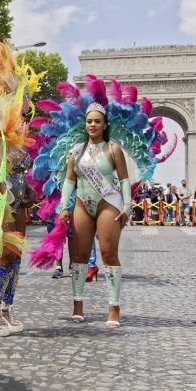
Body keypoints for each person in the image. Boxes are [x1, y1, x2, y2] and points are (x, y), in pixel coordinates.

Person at [58, 103, 132, 328]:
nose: (92, 125)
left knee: (109, 254)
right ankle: (78, 304)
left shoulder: (113, 149)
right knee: (78, 255)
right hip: (82, 203)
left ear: (105, 125)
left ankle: (114, 306)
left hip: (108, 203)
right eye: (89, 121)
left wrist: (127, 204)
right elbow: (69, 180)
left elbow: (124, 179)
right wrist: (63, 206)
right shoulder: (76, 151)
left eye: (97, 121)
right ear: (85, 124)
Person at [0, 147, 34, 337]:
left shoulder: (19, 140)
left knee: (15, 258)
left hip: (18, 208)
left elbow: (20, 175)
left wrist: (28, 191)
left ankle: (6, 308)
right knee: (6, 258)